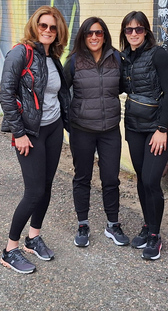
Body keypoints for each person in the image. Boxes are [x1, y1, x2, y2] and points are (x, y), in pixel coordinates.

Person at [0, 6, 71, 274]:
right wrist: (19, 133)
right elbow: (5, 95)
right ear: (35, 26)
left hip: (53, 129)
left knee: (47, 186)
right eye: (43, 26)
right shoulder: (21, 52)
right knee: (33, 191)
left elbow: (56, 96)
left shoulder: (53, 57)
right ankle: (9, 250)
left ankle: (33, 237)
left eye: (53, 27)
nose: (48, 31)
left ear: (58, 31)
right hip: (29, 133)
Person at [63, 17, 129, 248]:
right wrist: (68, 120)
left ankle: (113, 224)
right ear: (83, 36)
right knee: (82, 178)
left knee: (111, 178)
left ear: (104, 35)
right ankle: (83, 224)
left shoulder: (117, 59)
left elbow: (122, 86)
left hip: (110, 129)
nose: (94, 37)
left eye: (98, 33)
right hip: (81, 130)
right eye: (89, 33)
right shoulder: (73, 62)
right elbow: (62, 91)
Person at [119, 11, 168, 260]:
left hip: (157, 129)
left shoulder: (158, 54)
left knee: (152, 181)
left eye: (138, 29)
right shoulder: (124, 58)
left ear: (146, 31)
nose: (134, 34)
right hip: (133, 127)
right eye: (129, 30)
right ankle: (147, 224)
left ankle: (155, 235)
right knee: (142, 180)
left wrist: (162, 129)